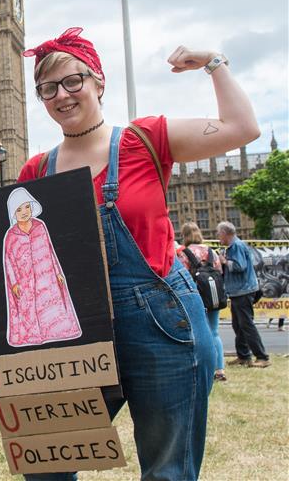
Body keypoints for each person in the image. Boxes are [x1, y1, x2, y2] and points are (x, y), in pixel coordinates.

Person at [17, 27, 260, 480]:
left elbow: (242, 128)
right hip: (74, 329)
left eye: (73, 81)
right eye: (47, 88)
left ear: (98, 82)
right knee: (47, 465)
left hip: (162, 322)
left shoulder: (144, 140)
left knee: (168, 469)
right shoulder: (36, 171)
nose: (61, 95)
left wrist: (214, 63)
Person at [3, 187, 81, 347]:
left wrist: (58, 272)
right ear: (13, 213)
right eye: (19, 209)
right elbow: (8, 261)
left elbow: (50, 251)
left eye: (27, 207)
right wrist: (14, 283)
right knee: (28, 309)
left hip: (46, 277)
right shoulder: (11, 236)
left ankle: (54, 333)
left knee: (51, 306)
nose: (24, 211)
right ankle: (32, 337)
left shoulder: (40, 226)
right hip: (25, 280)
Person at [217, 221, 270, 368]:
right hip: (237, 291)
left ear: (225, 233)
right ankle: (244, 356)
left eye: (219, 233)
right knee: (238, 325)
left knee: (246, 325)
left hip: (243, 291)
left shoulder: (237, 246)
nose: (217, 236)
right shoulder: (233, 246)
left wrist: (224, 261)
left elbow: (240, 266)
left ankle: (262, 357)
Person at [176, 222, 226, 381]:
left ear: (184, 235)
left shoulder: (184, 253)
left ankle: (205, 369)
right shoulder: (211, 252)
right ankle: (220, 370)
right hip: (214, 296)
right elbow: (220, 272)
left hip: (196, 297)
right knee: (214, 332)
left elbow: (181, 275)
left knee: (199, 334)